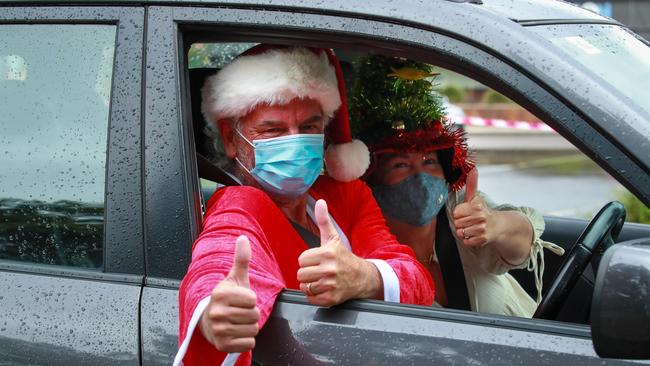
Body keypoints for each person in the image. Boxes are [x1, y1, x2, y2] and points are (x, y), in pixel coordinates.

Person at [175, 46, 434, 366]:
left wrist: (364, 276)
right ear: (232, 139)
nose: (296, 142)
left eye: (309, 128)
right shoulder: (239, 202)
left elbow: (418, 281)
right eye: (273, 130)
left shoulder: (348, 195)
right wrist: (216, 308)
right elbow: (220, 254)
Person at [348, 54, 564, 317]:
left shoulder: (460, 209)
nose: (420, 176)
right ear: (372, 180)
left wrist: (495, 224)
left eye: (429, 161)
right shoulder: (364, 255)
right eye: (400, 165)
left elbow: (522, 244)